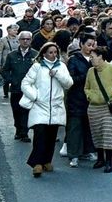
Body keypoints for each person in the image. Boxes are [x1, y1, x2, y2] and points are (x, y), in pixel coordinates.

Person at [21, 41, 73, 177]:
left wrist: (57, 74)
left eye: (55, 52)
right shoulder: (37, 67)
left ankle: (46, 161)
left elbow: (68, 83)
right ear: (44, 53)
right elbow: (25, 83)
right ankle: (36, 163)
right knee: (40, 135)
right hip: (40, 106)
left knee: (51, 136)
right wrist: (35, 96)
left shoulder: (61, 66)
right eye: (50, 52)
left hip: (56, 106)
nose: (53, 55)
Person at [84, 47, 112, 173]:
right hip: (93, 107)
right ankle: (100, 159)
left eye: (93, 56)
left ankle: (108, 161)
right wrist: (89, 95)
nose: (91, 59)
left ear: (101, 56)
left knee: (107, 133)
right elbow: (86, 87)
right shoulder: (91, 71)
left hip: (109, 106)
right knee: (96, 133)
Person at [63, 36, 97, 167]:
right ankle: (74, 155)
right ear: (81, 44)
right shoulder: (74, 60)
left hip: (92, 98)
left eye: (93, 45)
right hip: (77, 97)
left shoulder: (96, 58)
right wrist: (87, 75)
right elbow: (71, 79)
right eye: (89, 44)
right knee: (75, 127)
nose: (91, 48)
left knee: (89, 126)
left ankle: (88, 151)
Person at [2, 31, 39, 141]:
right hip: (16, 89)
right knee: (16, 110)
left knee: (26, 110)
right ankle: (18, 129)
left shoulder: (35, 55)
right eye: (23, 39)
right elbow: (5, 70)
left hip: (29, 89)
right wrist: (11, 80)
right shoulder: (11, 55)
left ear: (31, 40)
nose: (25, 41)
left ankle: (24, 132)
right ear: (19, 40)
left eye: (28, 39)